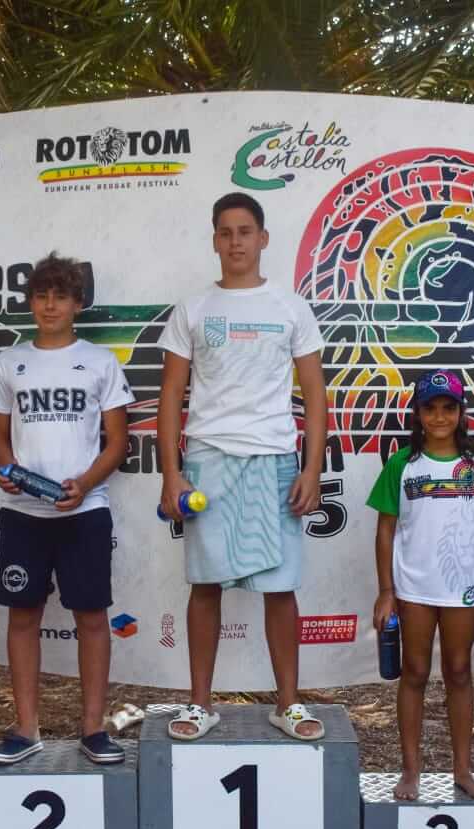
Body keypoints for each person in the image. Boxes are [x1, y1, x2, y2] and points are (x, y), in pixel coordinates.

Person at [157, 191, 329, 741]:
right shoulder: (193, 309)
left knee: (281, 587)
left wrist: (311, 468)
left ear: (263, 239)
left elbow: (316, 394)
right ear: (215, 240)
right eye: (226, 232)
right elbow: (170, 395)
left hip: (275, 459)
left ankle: (289, 704)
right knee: (205, 585)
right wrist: (171, 473)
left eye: (245, 231)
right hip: (208, 459)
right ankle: (199, 704)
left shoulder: (291, 307)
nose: (236, 242)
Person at [0, 252, 132, 765]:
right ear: (30, 302)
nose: (49, 305)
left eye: (60, 297)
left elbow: (118, 442)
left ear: (77, 304)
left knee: (92, 616)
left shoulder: (100, 361)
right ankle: (27, 728)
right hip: (24, 514)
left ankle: (94, 728)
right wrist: (7, 469)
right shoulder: (9, 363)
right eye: (41, 296)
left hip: (85, 512)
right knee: (23, 616)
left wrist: (85, 484)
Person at [367, 369, 474, 801]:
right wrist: (386, 590)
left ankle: (462, 770)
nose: (440, 416)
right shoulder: (402, 464)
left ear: (461, 412)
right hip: (413, 587)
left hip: (461, 587)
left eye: (449, 407)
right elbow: (385, 529)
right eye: (431, 408)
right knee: (414, 672)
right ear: (418, 413)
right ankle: (411, 771)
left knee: (459, 672)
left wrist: (457, 541)